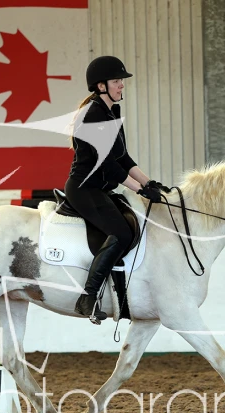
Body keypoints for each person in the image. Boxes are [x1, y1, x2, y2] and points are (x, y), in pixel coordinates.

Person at [65, 55, 164, 321]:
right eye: (117, 81)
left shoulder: (111, 112)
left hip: (101, 189)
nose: (122, 85)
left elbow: (122, 157)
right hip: (85, 188)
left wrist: (149, 182)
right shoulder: (92, 114)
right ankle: (88, 297)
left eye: (121, 81)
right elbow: (107, 164)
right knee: (121, 233)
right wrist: (138, 189)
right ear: (101, 86)